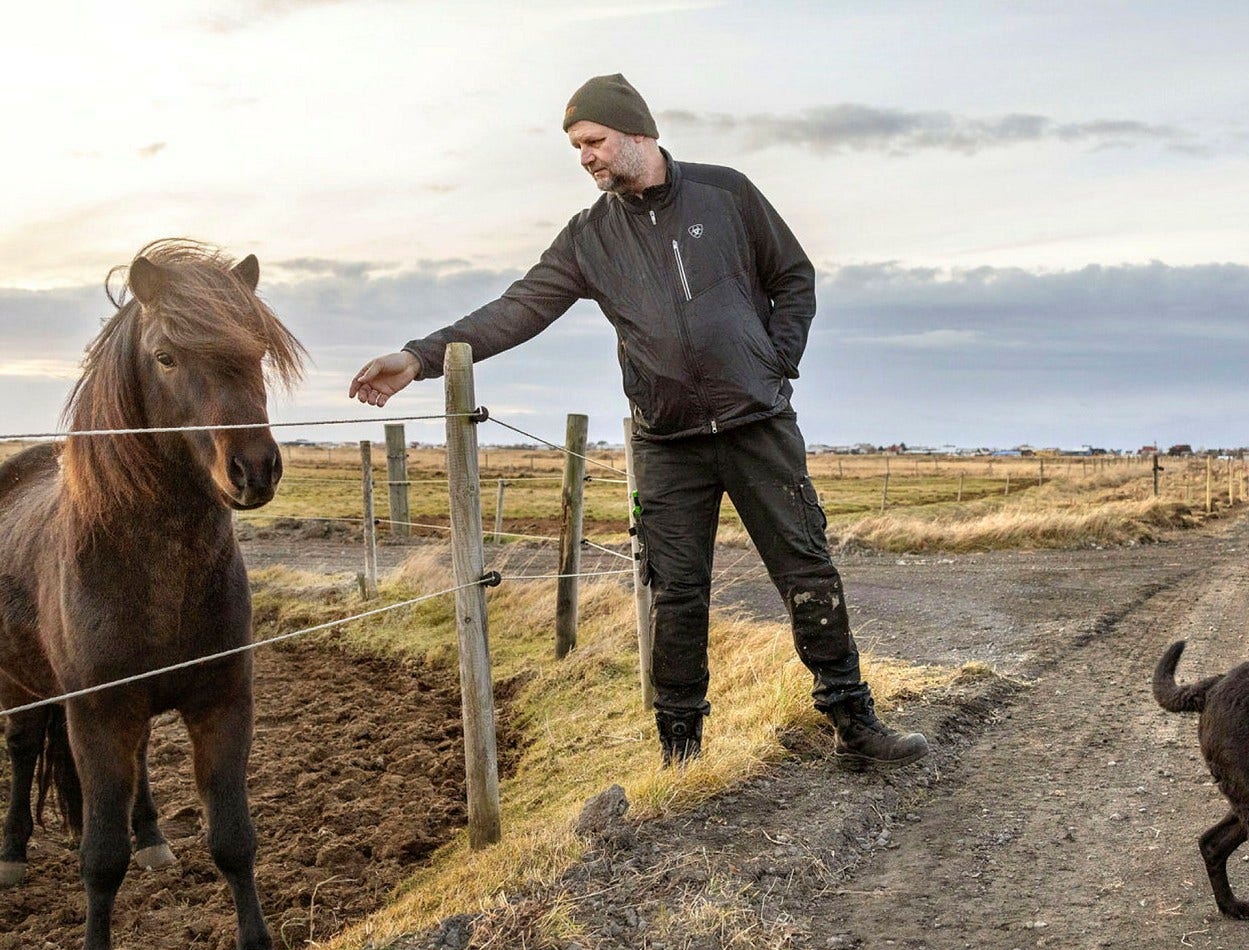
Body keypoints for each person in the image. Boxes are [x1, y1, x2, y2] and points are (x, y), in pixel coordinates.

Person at [349, 74, 927, 768]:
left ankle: (852, 722)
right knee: (675, 595)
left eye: (593, 140)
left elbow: (793, 279)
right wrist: (419, 357)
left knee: (807, 571)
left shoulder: (727, 194)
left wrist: (774, 362)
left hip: (758, 426)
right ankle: (680, 755)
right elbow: (518, 308)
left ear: (638, 134)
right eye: (576, 146)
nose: (585, 156)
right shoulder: (589, 237)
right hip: (667, 445)